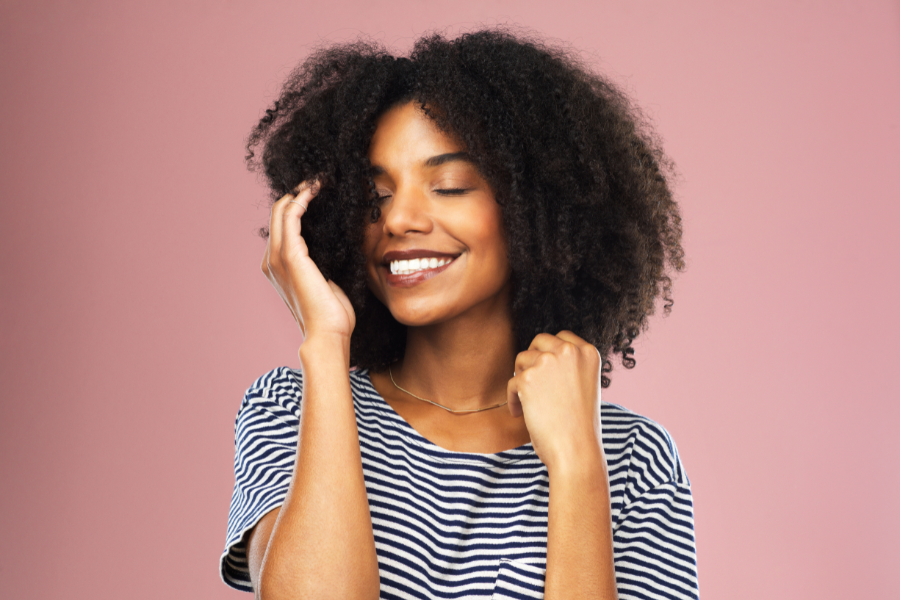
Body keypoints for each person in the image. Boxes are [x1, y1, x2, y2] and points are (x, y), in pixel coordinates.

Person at [220, 28, 698, 600]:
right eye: (375, 198)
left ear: (535, 205)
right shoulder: (292, 409)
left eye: (447, 185)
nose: (398, 220)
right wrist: (325, 341)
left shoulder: (633, 461)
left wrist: (576, 471)